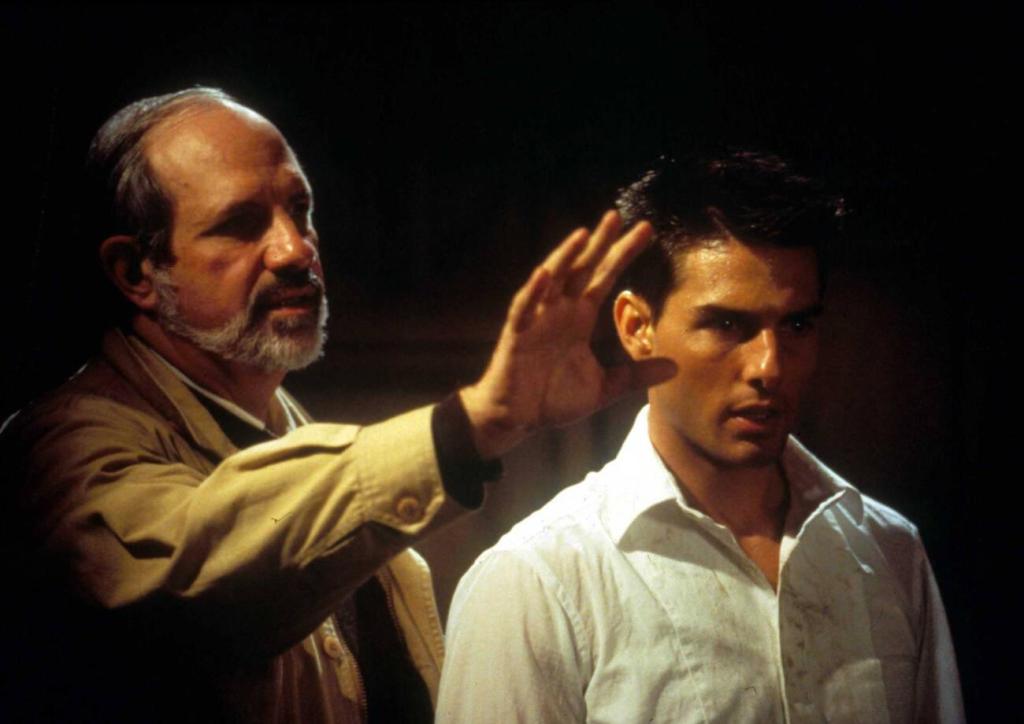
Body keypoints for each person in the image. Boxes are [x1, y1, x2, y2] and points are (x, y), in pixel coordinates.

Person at [0, 87, 672, 724]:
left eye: (300, 210)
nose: (295, 249)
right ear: (134, 272)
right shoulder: (60, 451)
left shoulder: (290, 432)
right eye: (239, 225)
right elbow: (201, 568)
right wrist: (471, 424)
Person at [437, 152, 965, 723]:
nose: (769, 366)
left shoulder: (888, 551)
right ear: (637, 327)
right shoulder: (538, 581)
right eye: (728, 324)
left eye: (796, 325)